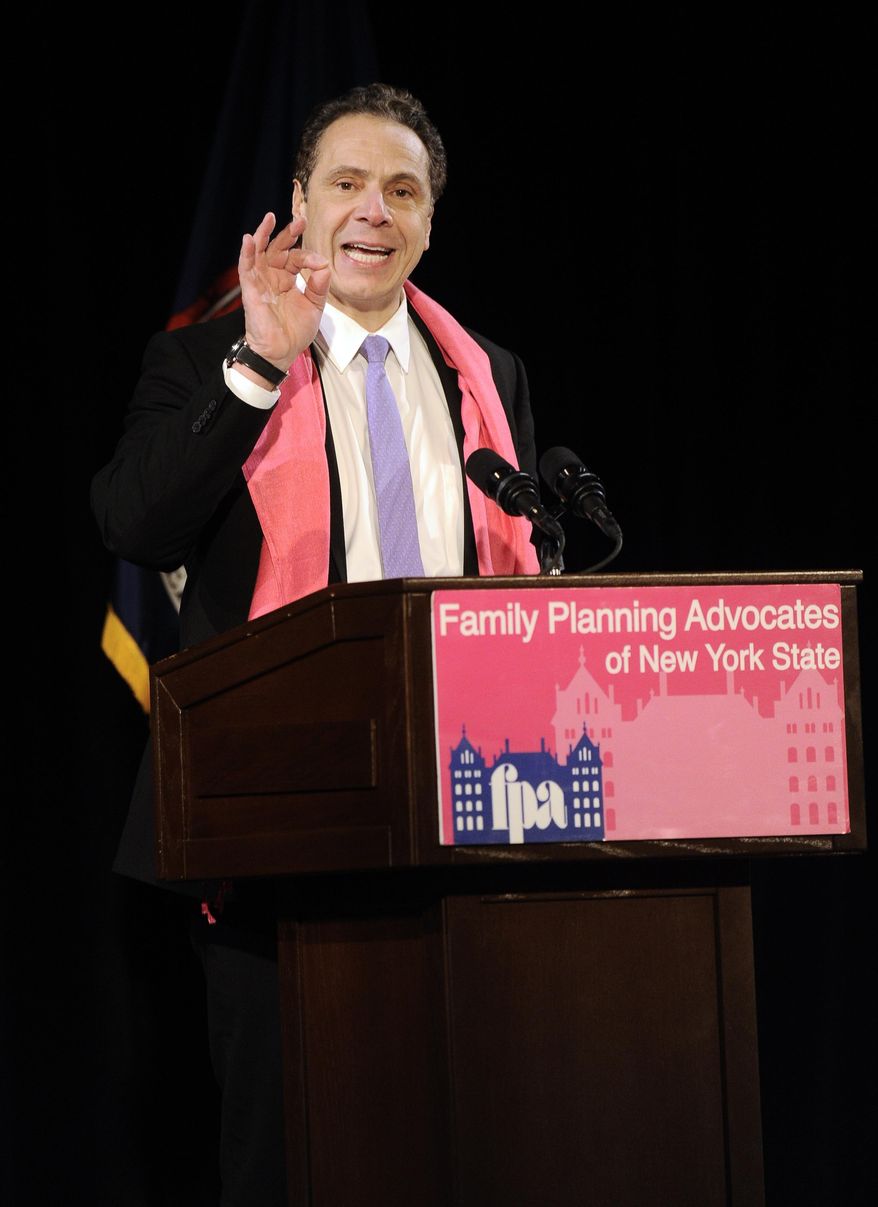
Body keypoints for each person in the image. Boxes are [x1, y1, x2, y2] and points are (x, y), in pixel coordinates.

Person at [91, 82, 539, 1205]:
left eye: (402, 189)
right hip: (270, 823)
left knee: (458, 1141)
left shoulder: (485, 377)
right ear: (299, 202)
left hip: (459, 817)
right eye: (345, 183)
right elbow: (131, 524)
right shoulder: (208, 363)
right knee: (291, 1154)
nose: (372, 211)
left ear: (430, 219)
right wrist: (256, 361)